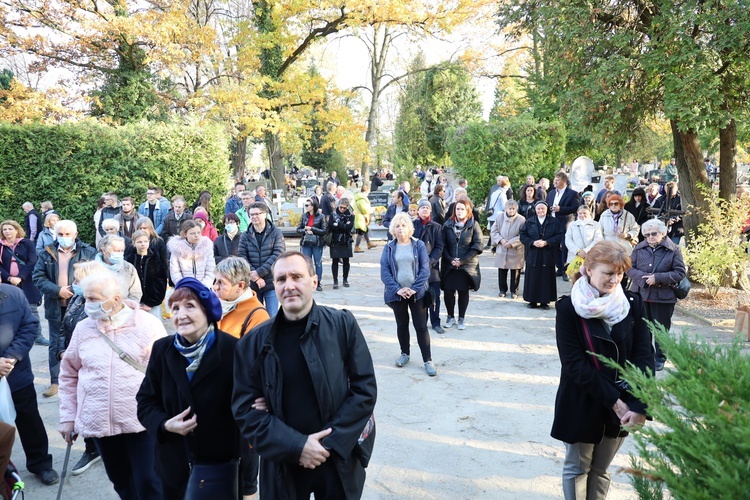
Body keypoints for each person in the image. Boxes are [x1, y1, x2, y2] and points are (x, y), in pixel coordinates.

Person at [232, 251, 377, 499]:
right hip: (283, 464)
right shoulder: (253, 343)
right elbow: (245, 410)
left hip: (336, 461)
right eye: (281, 279)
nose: (289, 286)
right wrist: (297, 446)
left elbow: (364, 390)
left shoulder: (343, 325)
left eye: (297, 277)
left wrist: (325, 445)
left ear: (314, 281)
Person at [551, 241, 654, 500]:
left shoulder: (632, 303)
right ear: (588, 269)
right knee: (577, 468)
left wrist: (639, 405)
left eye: (619, 273)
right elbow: (574, 364)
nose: (615, 279)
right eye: (608, 273)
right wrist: (615, 402)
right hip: (583, 399)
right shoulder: (568, 309)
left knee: (601, 469)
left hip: (625, 403)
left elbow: (644, 355)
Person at [137, 277, 256, 499]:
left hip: (221, 466)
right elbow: (145, 402)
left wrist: (249, 483)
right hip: (173, 464)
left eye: (189, 306)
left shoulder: (233, 350)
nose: (181, 315)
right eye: (175, 308)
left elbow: (247, 413)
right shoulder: (162, 350)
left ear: (207, 310)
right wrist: (164, 424)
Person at [58, 270, 165, 499]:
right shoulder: (84, 328)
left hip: (141, 421)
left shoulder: (148, 325)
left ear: (116, 299)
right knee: (121, 481)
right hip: (99, 421)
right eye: (86, 298)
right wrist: (68, 417)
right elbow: (68, 374)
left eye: (94, 299)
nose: (88, 304)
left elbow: (165, 375)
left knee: (149, 481)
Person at [0, 283, 59, 485]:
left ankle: (41, 464)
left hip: (16, 373)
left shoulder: (14, 294)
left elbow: (30, 325)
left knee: (29, 419)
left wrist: (11, 358)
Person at [33, 219, 96, 398]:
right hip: (56, 305)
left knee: (83, 342)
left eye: (68, 234)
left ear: (75, 235)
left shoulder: (88, 252)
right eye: (60, 234)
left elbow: (97, 275)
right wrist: (57, 290)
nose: (64, 237)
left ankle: (83, 378)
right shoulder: (47, 253)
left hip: (81, 308)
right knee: (55, 343)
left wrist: (81, 290)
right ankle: (56, 381)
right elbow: (38, 277)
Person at [57, 260, 109, 476]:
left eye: (79, 279)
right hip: (74, 361)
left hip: (92, 368)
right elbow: (64, 327)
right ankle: (93, 447)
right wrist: (62, 352)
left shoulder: (100, 305)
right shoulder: (77, 299)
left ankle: (96, 449)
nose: (74, 283)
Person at [626, 219, 687, 371]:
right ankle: (645, 356)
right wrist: (644, 278)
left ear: (663, 233)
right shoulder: (639, 248)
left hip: (663, 297)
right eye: (647, 235)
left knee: (661, 329)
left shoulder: (674, 250)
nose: (650, 237)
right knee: (642, 328)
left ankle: (660, 358)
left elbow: (680, 272)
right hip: (641, 294)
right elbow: (629, 268)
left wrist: (657, 278)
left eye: (654, 234)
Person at [381, 213, 435, 375]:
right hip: (397, 294)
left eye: (403, 225)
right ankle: (405, 354)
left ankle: (428, 360)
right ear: (393, 229)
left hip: (417, 294)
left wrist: (414, 288)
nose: (400, 229)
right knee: (402, 325)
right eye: (397, 226)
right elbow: (385, 271)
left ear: (409, 228)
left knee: (421, 327)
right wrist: (397, 289)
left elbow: (425, 269)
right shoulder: (389, 247)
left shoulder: (418, 245)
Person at [1, 220, 46, 345]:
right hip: (7, 284)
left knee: (32, 310)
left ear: (16, 230)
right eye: (4, 229)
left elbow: (33, 261)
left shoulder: (27, 243)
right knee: (9, 311)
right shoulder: (0, 246)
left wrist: (20, 277)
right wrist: (9, 278)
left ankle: (38, 336)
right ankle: (12, 338)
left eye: (10, 229)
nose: (7, 231)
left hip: (27, 282)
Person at [440, 198, 483, 330]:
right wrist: (450, 259)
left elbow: (478, 245)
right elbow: (442, 245)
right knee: (448, 292)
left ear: (467, 210)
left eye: (462, 209)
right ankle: (450, 316)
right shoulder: (447, 225)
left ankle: (462, 319)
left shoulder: (474, 225)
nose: (459, 211)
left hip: (467, 266)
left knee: (463, 292)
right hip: (450, 265)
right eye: (457, 209)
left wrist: (463, 261)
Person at [237, 202, 286, 317]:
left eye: (257, 214)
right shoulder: (245, 236)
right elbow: (242, 257)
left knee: (272, 316)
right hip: (252, 284)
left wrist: (259, 273)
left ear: (265, 214)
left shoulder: (276, 233)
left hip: (270, 282)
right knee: (255, 317)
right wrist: (254, 276)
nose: (254, 217)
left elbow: (278, 255)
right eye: (251, 214)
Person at [520, 201, 563, 310]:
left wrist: (547, 242)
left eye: (543, 209)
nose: (540, 211)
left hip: (548, 252)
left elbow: (559, 235)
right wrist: (532, 242)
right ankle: (532, 300)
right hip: (533, 252)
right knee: (533, 276)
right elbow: (522, 236)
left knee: (546, 276)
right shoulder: (529, 222)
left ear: (547, 209)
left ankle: (545, 301)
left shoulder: (554, 222)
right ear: (535, 210)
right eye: (538, 209)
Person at [214, 257, 270, 338]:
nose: (215, 287)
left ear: (240, 285)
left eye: (221, 282)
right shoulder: (212, 305)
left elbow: (250, 350)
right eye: (215, 280)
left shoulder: (258, 316)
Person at [413, 199, 445, 334]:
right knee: (420, 296)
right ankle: (422, 322)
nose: (425, 209)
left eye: (427, 207)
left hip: (432, 269)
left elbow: (439, 247)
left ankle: (436, 322)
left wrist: (430, 262)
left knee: (434, 296)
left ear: (430, 210)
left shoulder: (437, 227)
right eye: (422, 207)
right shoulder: (412, 225)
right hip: (415, 268)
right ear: (418, 210)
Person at [127, 230, 168, 321]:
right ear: (134, 243)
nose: (143, 244)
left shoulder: (155, 259)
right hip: (133, 304)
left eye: (145, 241)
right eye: (139, 242)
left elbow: (160, 281)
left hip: (151, 303)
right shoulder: (129, 260)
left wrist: (150, 302)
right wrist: (132, 302)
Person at [546, 172, 580, 277]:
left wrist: (560, 209)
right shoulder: (551, 193)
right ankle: (559, 268)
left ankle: (566, 269)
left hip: (565, 222)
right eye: (554, 180)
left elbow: (575, 208)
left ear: (564, 181)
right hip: (552, 222)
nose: (554, 182)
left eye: (557, 180)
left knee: (565, 245)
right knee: (553, 245)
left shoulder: (572, 193)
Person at [490, 201, 526, 298]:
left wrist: (512, 242)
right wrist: (501, 240)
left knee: (515, 271)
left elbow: (523, 235)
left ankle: (514, 290)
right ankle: (502, 289)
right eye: (509, 208)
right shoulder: (499, 217)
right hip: (502, 247)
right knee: (502, 269)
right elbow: (494, 231)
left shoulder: (522, 219)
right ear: (506, 209)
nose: (511, 211)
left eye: (513, 209)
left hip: (515, 249)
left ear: (516, 209)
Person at [168, 220, 215, 288]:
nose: (196, 236)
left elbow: (210, 270)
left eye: (198, 232)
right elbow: (175, 272)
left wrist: (202, 287)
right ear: (185, 234)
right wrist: (185, 287)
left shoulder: (207, 247)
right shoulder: (177, 249)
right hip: (184, 290)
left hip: (204, 288)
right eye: (192, 233)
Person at [96, 234, 143, 302]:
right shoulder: (92, 269)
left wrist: (123, 307)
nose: (120, 254)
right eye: (117, 251)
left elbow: (136, 293)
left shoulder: (129, 268)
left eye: (122, 251)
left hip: (124, 310)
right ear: (104, 251)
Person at [297, 197, 327, 291]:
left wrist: (312, 229)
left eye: (307, 205)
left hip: (317, 243)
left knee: (318, 263)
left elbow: (324, 230)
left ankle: (318, 282)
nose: (306, 207)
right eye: (305, 205)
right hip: (306, 242)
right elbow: (298, 229)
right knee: (306, 263)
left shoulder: (321, 216)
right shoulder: (304, 216)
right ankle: (307, 281)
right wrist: (305, 230)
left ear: (313, 206)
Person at [131, 217, 169, 282]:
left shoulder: (158, 242)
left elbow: (164, 260)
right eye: (140, 228)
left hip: (155, 275)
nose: (142, 230)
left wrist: (166, 276)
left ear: (150, 228)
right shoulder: (133, 243)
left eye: (145, 228)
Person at [328, 197, 354, 289]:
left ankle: (345, 279)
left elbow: (349, 228)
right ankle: (335, 281)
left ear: (347, 207)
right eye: (341, 207)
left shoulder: (350, 215)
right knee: (335, 261)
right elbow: (331, 226)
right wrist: (344, 226)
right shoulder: (333, 214)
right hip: (335, 240)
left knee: (346, 261)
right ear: (338, 206)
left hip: (346, 240)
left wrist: (338, 224)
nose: (342, 209)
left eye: (344, 208)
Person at [353, 185, 376, 253]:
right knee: (360, 232)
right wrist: (370, 210)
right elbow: (364, 209)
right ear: (367, 191)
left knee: (365, 230)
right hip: (361, 218)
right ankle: (356, 247)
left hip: (360, 217)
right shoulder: (361, 199)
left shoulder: (359, 198)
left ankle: (369, 243)